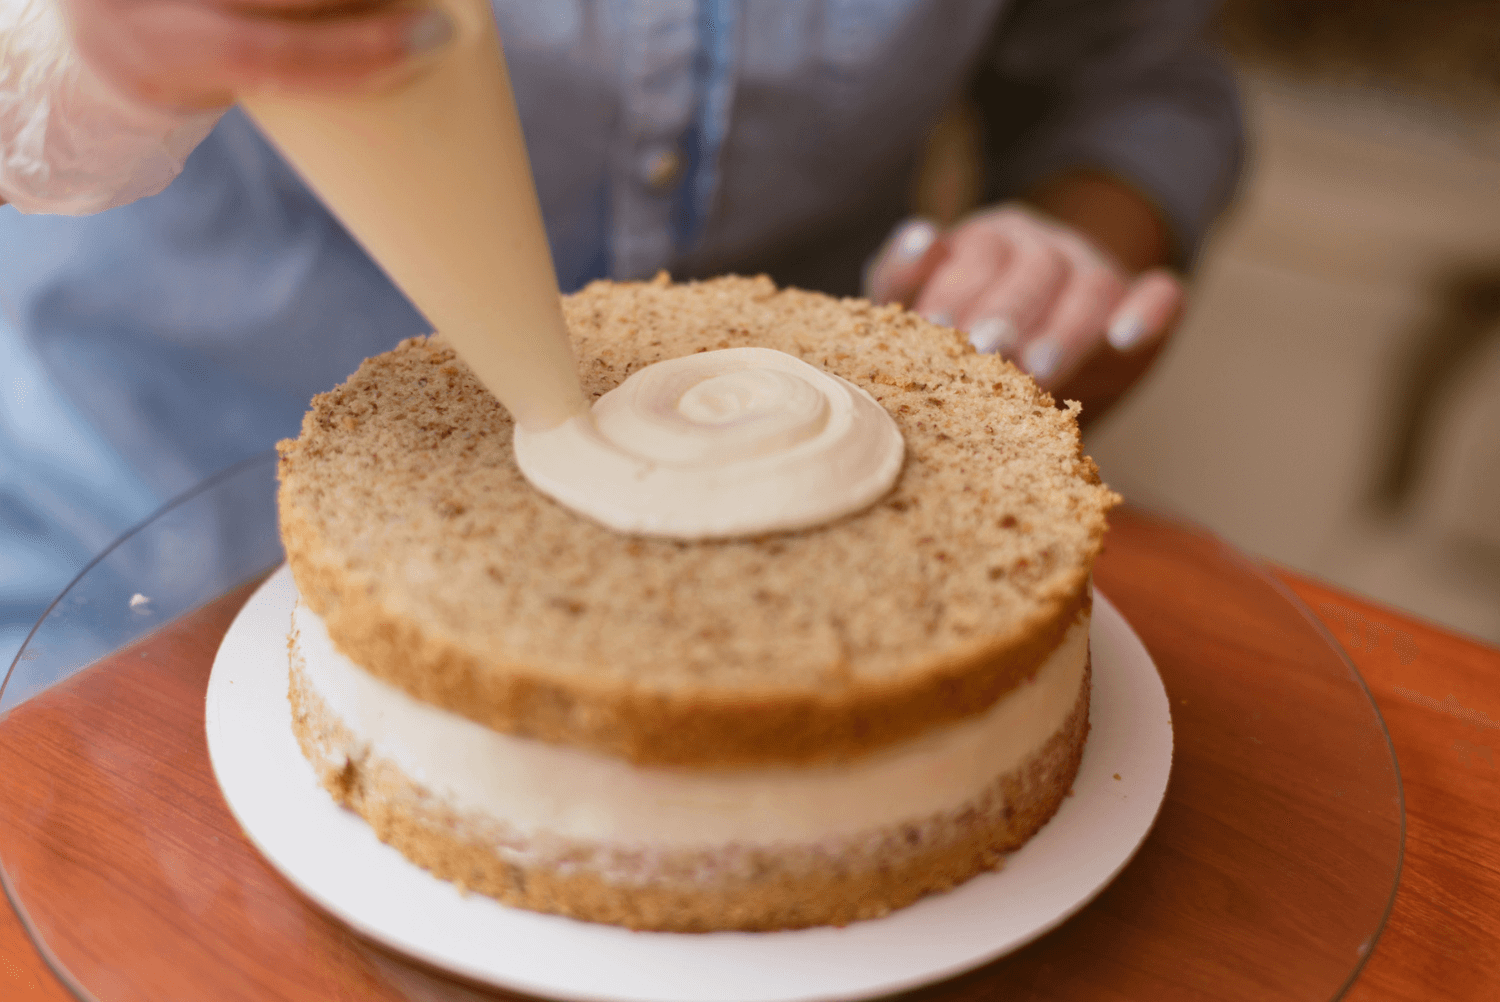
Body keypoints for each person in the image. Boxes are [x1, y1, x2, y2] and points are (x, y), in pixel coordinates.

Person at [0, 0, 1242, 670]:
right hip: (135, 582)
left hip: (791, 630)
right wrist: (96, 58)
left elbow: (1130, 81)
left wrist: (1065, 253)